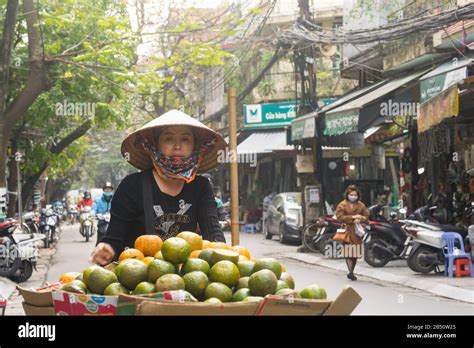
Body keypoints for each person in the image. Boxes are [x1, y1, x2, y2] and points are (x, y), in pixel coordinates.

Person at [90, 110, 227, 265]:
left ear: (195, 146)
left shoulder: (201, 186)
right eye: (169, 139)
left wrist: (225, 255)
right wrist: (105, 250)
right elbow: (114, 241)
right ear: (154, 144)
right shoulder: (131, 186)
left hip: (188, 278)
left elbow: (214, 236)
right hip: (138, 278)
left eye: (185, 139)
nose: (177, 146)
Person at [335, 184, 370, 281]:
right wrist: (352, 218)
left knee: (355, 253)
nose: (353, 196)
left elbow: (366, 216)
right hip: (346, 230)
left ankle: (352, 271)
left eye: (355, 195)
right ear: (347, 195)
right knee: (348, 252)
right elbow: (339, 217)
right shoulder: (342, 205)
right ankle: (350, 272)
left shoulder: (361, 205)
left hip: (357, 231)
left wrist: (361, 218)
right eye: (351, 194)